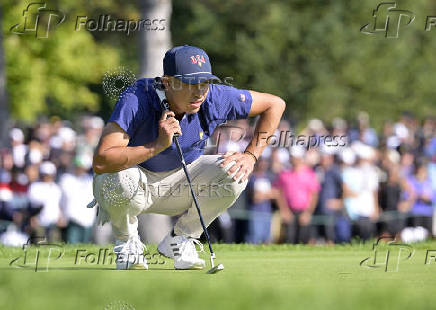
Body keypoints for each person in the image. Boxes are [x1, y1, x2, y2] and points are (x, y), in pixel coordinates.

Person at [91, 45, 285, 270]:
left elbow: (275, 104)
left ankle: (180, 239)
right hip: (135, 184)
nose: (200, 92)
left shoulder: (215, 98)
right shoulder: (137, 96)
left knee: (235, 171)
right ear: (167, 82)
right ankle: (127, 243)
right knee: (116, 178)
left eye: (204, 83)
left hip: (180, 185)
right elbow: (102, 160)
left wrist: (251, 156)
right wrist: (156, 146)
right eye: (190, 84)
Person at [273, 146, 320, 244]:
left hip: (303, 212)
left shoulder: (310, 174)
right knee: (288, 239)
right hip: (289, 212)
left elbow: (314, 195)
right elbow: (279, 193)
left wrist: (308, 213)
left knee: (303, 240)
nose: (293, 159)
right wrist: (284, 211)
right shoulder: (284, 174)